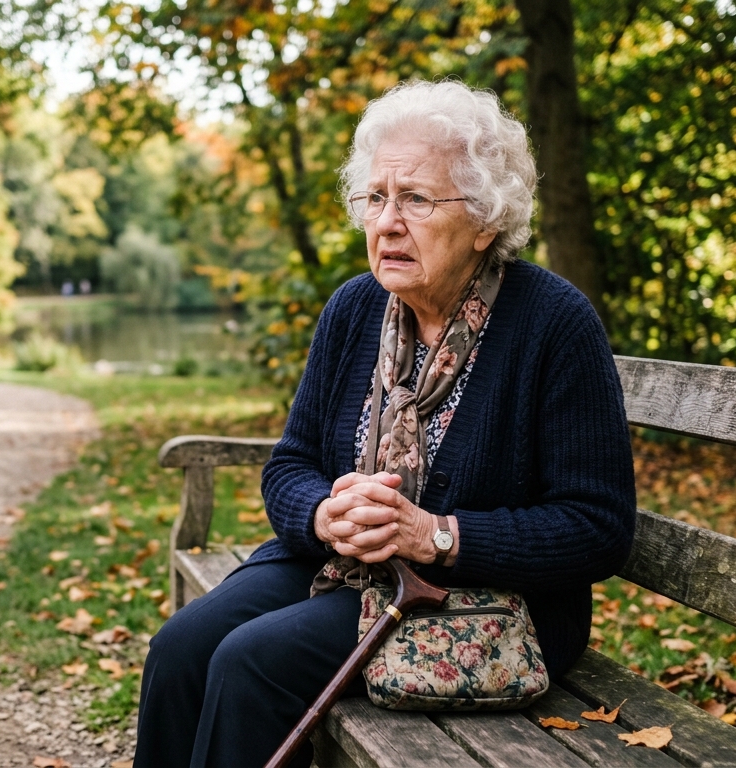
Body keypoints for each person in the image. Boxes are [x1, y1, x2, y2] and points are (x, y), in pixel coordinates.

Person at [134, 80, 637, 768]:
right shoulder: (354, 309)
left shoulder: (554, 324)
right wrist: (323, 516)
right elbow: (290, 465)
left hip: (483, 599)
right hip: (342, 564)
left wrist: (435, 534)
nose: (387, 222)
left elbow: (598, 526)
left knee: (252, 663)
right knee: (181, 648)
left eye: (417, 200)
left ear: (486, 219)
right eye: (376, 198)